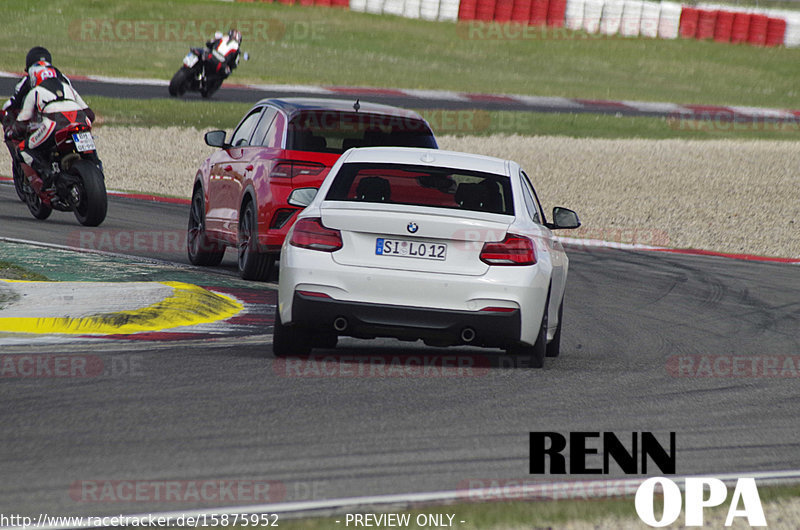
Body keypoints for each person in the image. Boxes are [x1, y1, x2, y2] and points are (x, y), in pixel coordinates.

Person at [5, 50, 97, 187]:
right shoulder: (66, 86)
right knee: (87, 141)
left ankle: (46, 173)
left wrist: (12, 132)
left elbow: (21, 119)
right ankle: (97, 165)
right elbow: (90, 114)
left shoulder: (34, 92)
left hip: (53, 125)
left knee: (23, 149)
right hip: (80, 120)